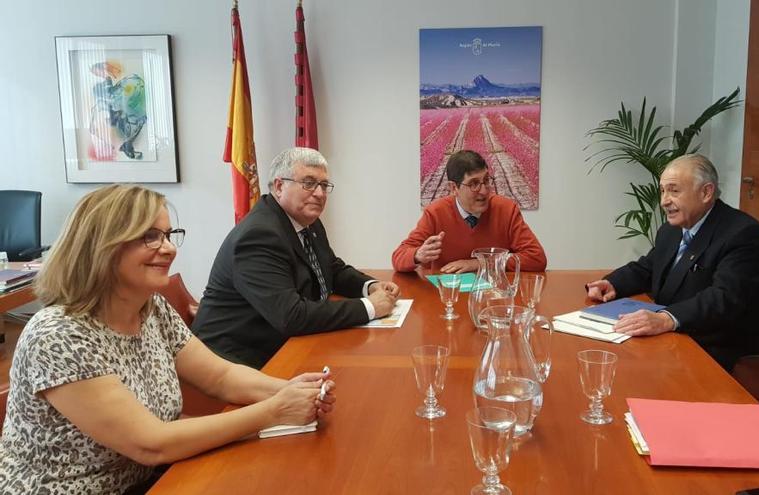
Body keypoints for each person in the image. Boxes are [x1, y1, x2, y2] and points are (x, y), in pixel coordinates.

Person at [0, 185, 336, 494]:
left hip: (154, 477)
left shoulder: (151, 308)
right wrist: (273, 411)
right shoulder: (57, 336)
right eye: (150, 236)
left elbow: (221, 376)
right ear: (101, 246)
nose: (169, 248)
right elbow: (150, 444)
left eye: (169, 234)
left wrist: (294, 390)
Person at [194, 148, 400, 368]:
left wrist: (370, 286)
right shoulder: (258, 236)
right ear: (280, 186)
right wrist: (369, 307)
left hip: (286, 344)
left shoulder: (306, 221)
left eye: (324, 185)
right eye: (309, 183)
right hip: (236, 360)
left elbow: (331, 268)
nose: (320, 194)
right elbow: (291, 316)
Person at [585, 154, 759, 370]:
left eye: (674, 191)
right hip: (677, 342)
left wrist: (666, 319)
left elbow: (724, 298)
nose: (664, 201)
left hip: (723, 355)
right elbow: (648, 267)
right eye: (663, 191)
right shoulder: (671, 229)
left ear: (706, 192)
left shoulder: (743, 233)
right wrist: (613, 283)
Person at [392, 150, 547, 273]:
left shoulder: (506, 209)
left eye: (486, 180)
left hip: (493, 298)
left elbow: (536, 258)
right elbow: (398, 257)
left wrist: (479, 263)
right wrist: (417, 255)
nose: (484, 191)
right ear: (454, 188)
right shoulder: (435, 213)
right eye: (474, 184)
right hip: (446, 300)